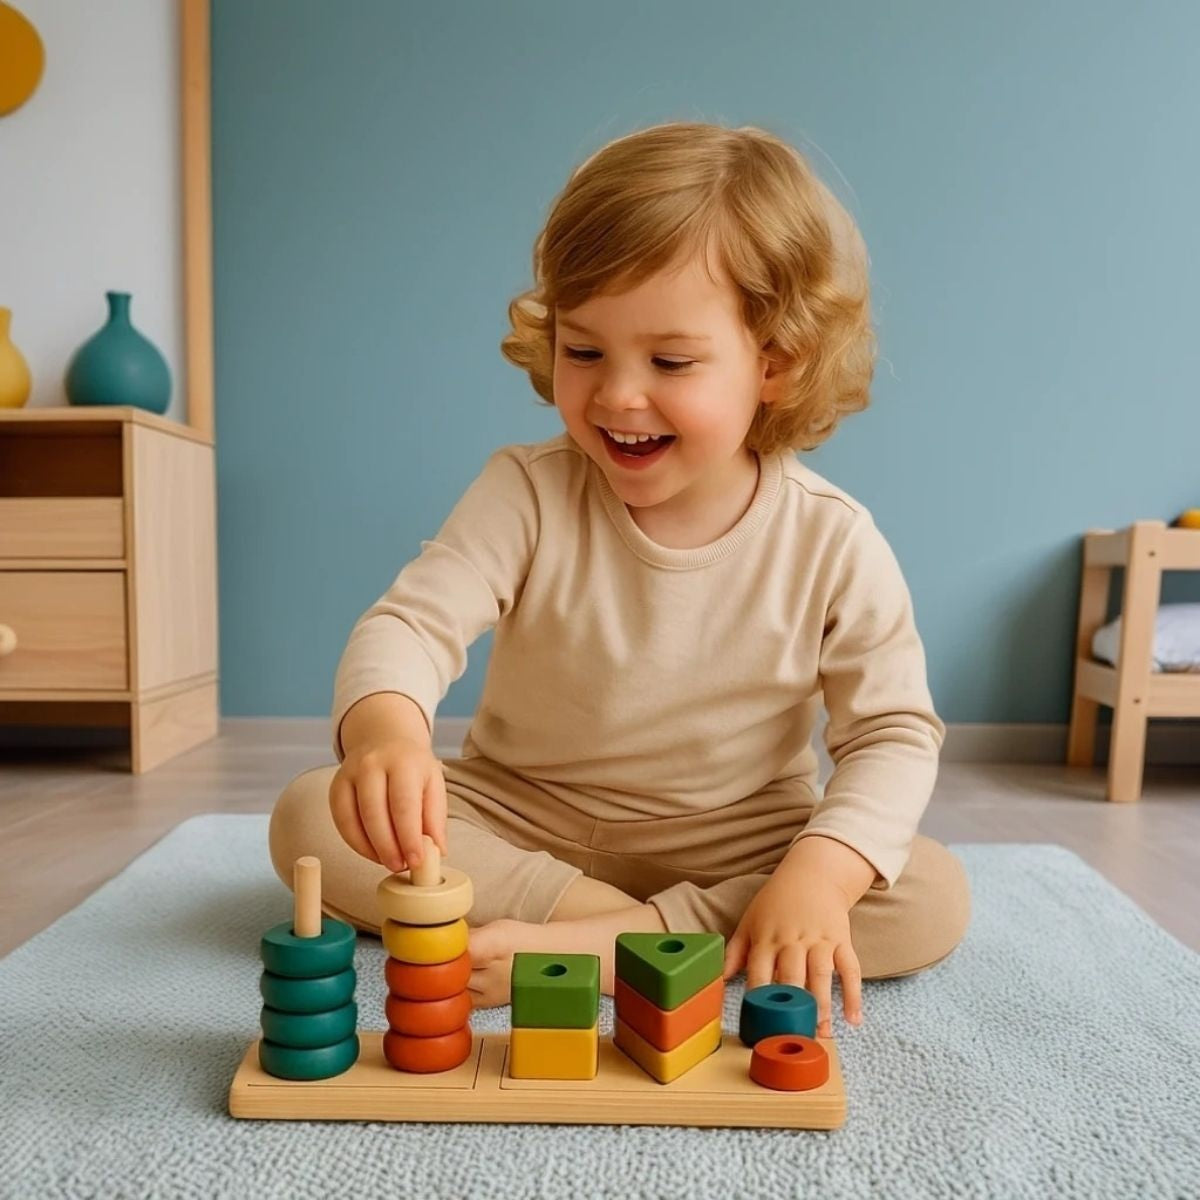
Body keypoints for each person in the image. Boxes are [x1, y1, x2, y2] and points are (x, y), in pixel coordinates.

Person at [270, 120, 970, 1038]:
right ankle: (634, 938)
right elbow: (411, 626)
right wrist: (385, 736)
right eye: (584, 351)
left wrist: (818, 876)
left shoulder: (832, 539)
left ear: (775, 361)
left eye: (670, 361)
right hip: (524, 816)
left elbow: (892, 733)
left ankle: (613, 943)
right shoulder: (526, 491)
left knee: (927, 893)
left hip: (732, 837)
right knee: (312, 817)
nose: (615, 395)